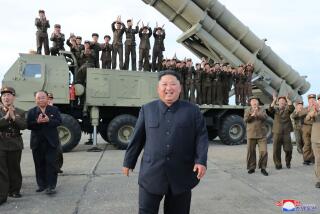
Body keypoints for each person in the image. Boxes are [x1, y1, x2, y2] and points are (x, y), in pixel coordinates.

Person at [123, 70, 208, 214]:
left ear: (180, 88)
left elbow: (201, 137)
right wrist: (128, 162)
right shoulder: (147, 109)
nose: (169, 88)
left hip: (181, 174)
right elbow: (137, 138)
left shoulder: (192, 111)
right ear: (158, 88)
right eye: (164, 84)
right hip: (151, 174)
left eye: (173, 84)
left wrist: (201, 161)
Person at [27, 91, 62, 195]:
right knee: (39, 164)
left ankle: (51, 186)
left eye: (43, 97)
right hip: (37, 143)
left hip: (51, 142)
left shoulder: (54, 110)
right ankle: (41, 185)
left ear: (47, 99)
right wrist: (37, 122)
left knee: (51, 164)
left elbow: (59, 121)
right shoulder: (32, 112)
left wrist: (49, 120)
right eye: (39, 98)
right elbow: (28, 125)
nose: (41, 99)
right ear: (35, 100)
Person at [0, 87, 27, 205]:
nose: (6, 97)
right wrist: (6, 117)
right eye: (4, 95)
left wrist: (14, 117)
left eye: (9, 95)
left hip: (15, 143)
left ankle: (14, 190)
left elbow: (23, 125)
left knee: (14, 168)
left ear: (13, 97)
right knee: (2, 171)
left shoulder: (20, 111)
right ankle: (2, 195)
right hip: (1, 143)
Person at [244, 96, 268, 176]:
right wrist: (251, 116)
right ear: (250, 103)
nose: (254, 102)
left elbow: (265, 117)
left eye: (256, 100)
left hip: (262, 134)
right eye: (252, 101)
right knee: (251, 152)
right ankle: (251, 167)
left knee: (264, 151)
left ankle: (263, 167)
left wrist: (256, 114)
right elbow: (245, 120)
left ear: (258, 102)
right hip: (251, 134)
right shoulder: (247, 110)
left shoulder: (262, 109)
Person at [268, 95, 294, 169]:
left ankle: (288, 162)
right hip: (277, 132)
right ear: (278, 103)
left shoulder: (288, 110)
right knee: (276, 150)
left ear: (285, 103)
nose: (282, 102)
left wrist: (288, 99)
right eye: (280, 101)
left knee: (288, 149)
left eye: (283, 101)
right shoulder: (275, 110)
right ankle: (278, 164)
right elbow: (270, 109)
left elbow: (292, 108)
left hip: (286, 133)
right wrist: (274, 100)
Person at [47, 93, 63, 174]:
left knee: (58, 151)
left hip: (55, 133)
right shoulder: (42, 109)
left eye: (51, 99)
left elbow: (59, 121)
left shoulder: (55, 109)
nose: (49, 100)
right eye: (48, 99)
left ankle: (58, 167)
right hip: (46, 134)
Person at [300, 94, 316, 165]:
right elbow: (300, 114)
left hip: (315, 127)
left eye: (313, 99)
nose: (311, 100)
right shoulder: (306, 108)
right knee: (307, 143)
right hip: (306, 127)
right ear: (308, 100)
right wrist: (308, 110)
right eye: (310, 99)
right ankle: (306, 159)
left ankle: (314, 158)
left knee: (314, 143)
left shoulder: (317, 108)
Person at [310, 95, 320, 188]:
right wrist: (313, 112)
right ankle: (318, 180)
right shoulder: (314, 110)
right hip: (316, 140)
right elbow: (307, 119)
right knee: (318, 160)